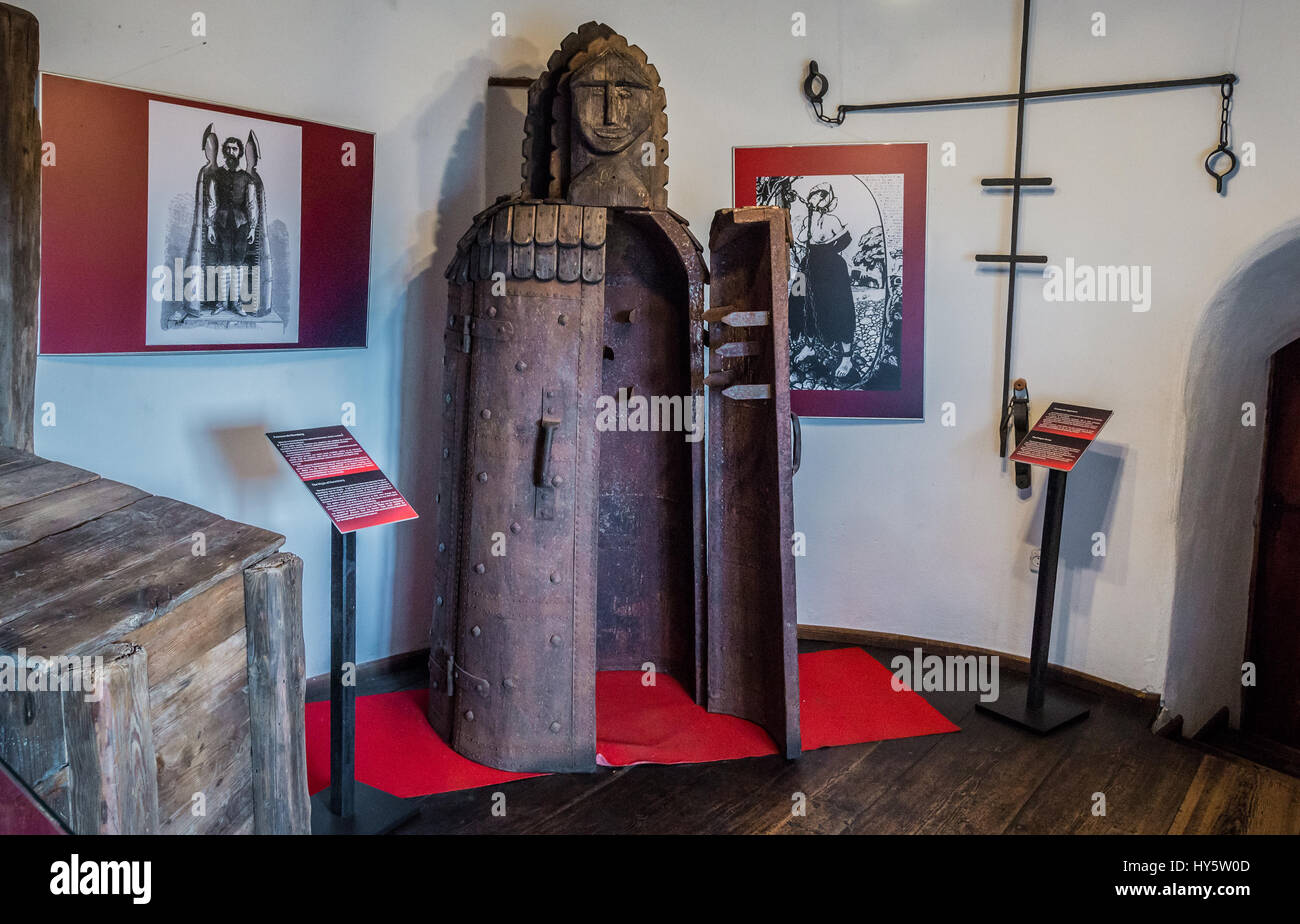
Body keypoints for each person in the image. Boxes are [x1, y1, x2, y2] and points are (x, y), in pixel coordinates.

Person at [797, 183, 856, 378]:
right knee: (801, 302)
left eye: (820, 196)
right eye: (813, 195)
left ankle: (846, 357)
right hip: (808, 265)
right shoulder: (808, 220)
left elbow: (845, 239)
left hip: (832, 268)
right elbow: (799, 238)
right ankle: (809, 346)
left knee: (840, 308)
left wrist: (828, 250)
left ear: (827, 199)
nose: (816, 199)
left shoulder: (832, 220)